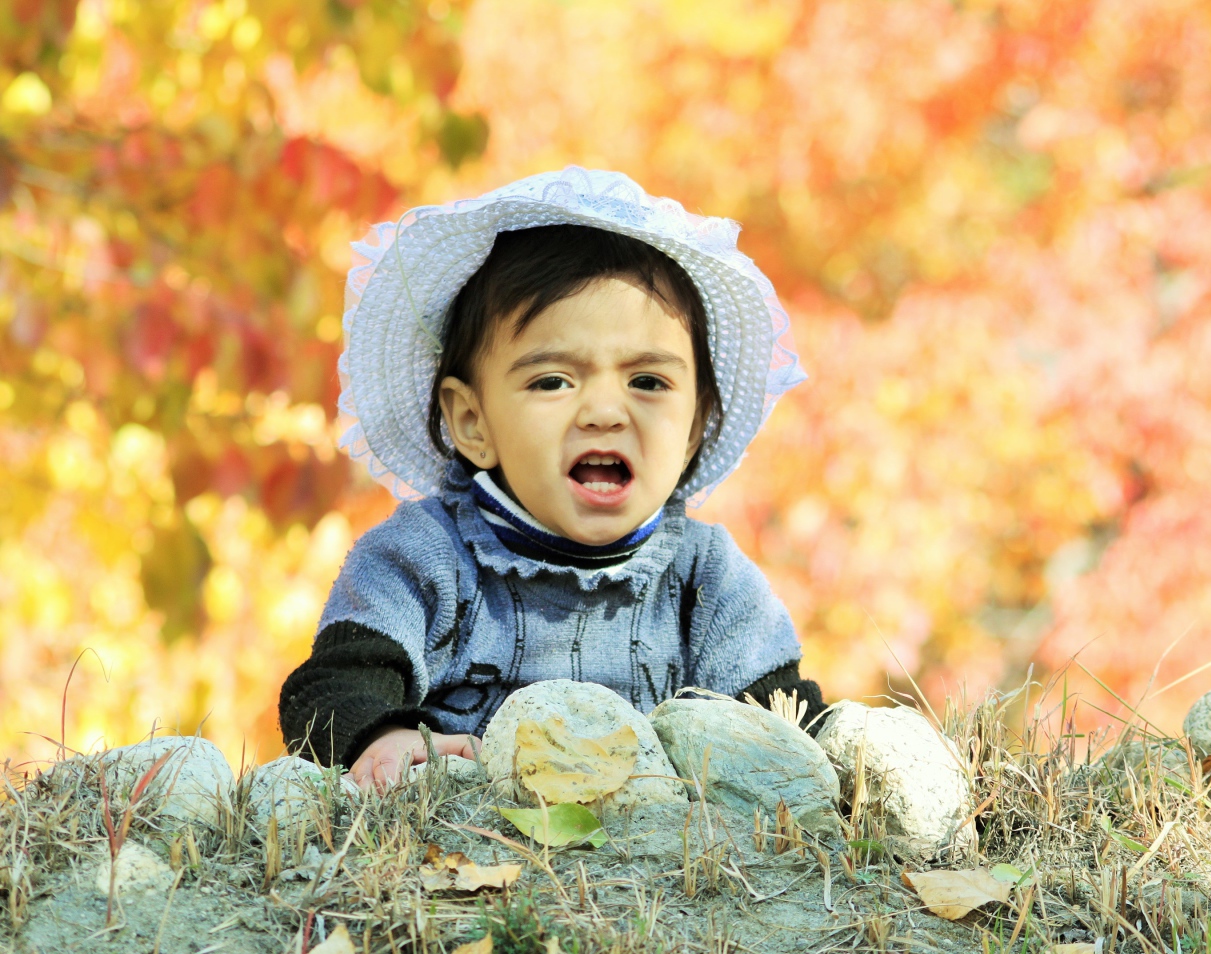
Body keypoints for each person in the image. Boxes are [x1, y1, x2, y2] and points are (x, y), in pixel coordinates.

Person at [278, 167, 823, 792]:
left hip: (652, 840)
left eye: (648, 381)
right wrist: (379, 738)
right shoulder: (422, 559)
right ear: (472, 422)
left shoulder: (708, 580)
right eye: (553, 381)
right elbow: (334, 686)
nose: (604, 411)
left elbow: (789, 726)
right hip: (468, 838)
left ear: (696, 425)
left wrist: (840, 754)